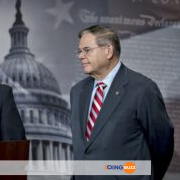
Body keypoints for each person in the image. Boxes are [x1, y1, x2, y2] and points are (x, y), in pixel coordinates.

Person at [70, 25, 174, 180]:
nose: (81, 56)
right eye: (79, 51)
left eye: (87, 50)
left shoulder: (142, 89)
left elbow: (162, 145)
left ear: (108, 51)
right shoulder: (77, 92)